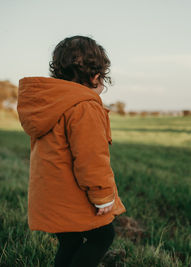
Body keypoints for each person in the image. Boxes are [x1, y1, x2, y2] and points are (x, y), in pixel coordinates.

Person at [17, 35, 126, 267]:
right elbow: (91, 158)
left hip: (51, 197)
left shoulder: (49, 103)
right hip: (74, 197)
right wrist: (102, 195)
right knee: (103, 237)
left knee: (70, 243)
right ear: (96, 76)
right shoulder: (84, 106)